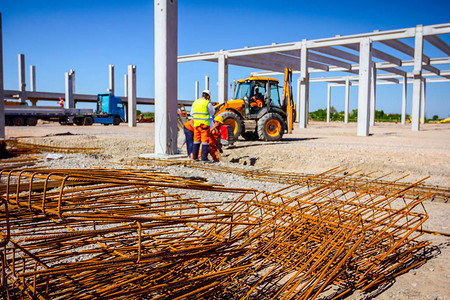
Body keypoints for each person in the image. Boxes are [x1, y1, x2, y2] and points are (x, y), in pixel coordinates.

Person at [191, 90, 215, 161]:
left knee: (196, 140)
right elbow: (212, 112)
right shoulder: (207, 103)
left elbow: (192, 114)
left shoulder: (195, 102)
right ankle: (204, 158)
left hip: (196, 125)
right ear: (208, 96)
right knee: (205, 141)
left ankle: (194, 157)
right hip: (204, 125)